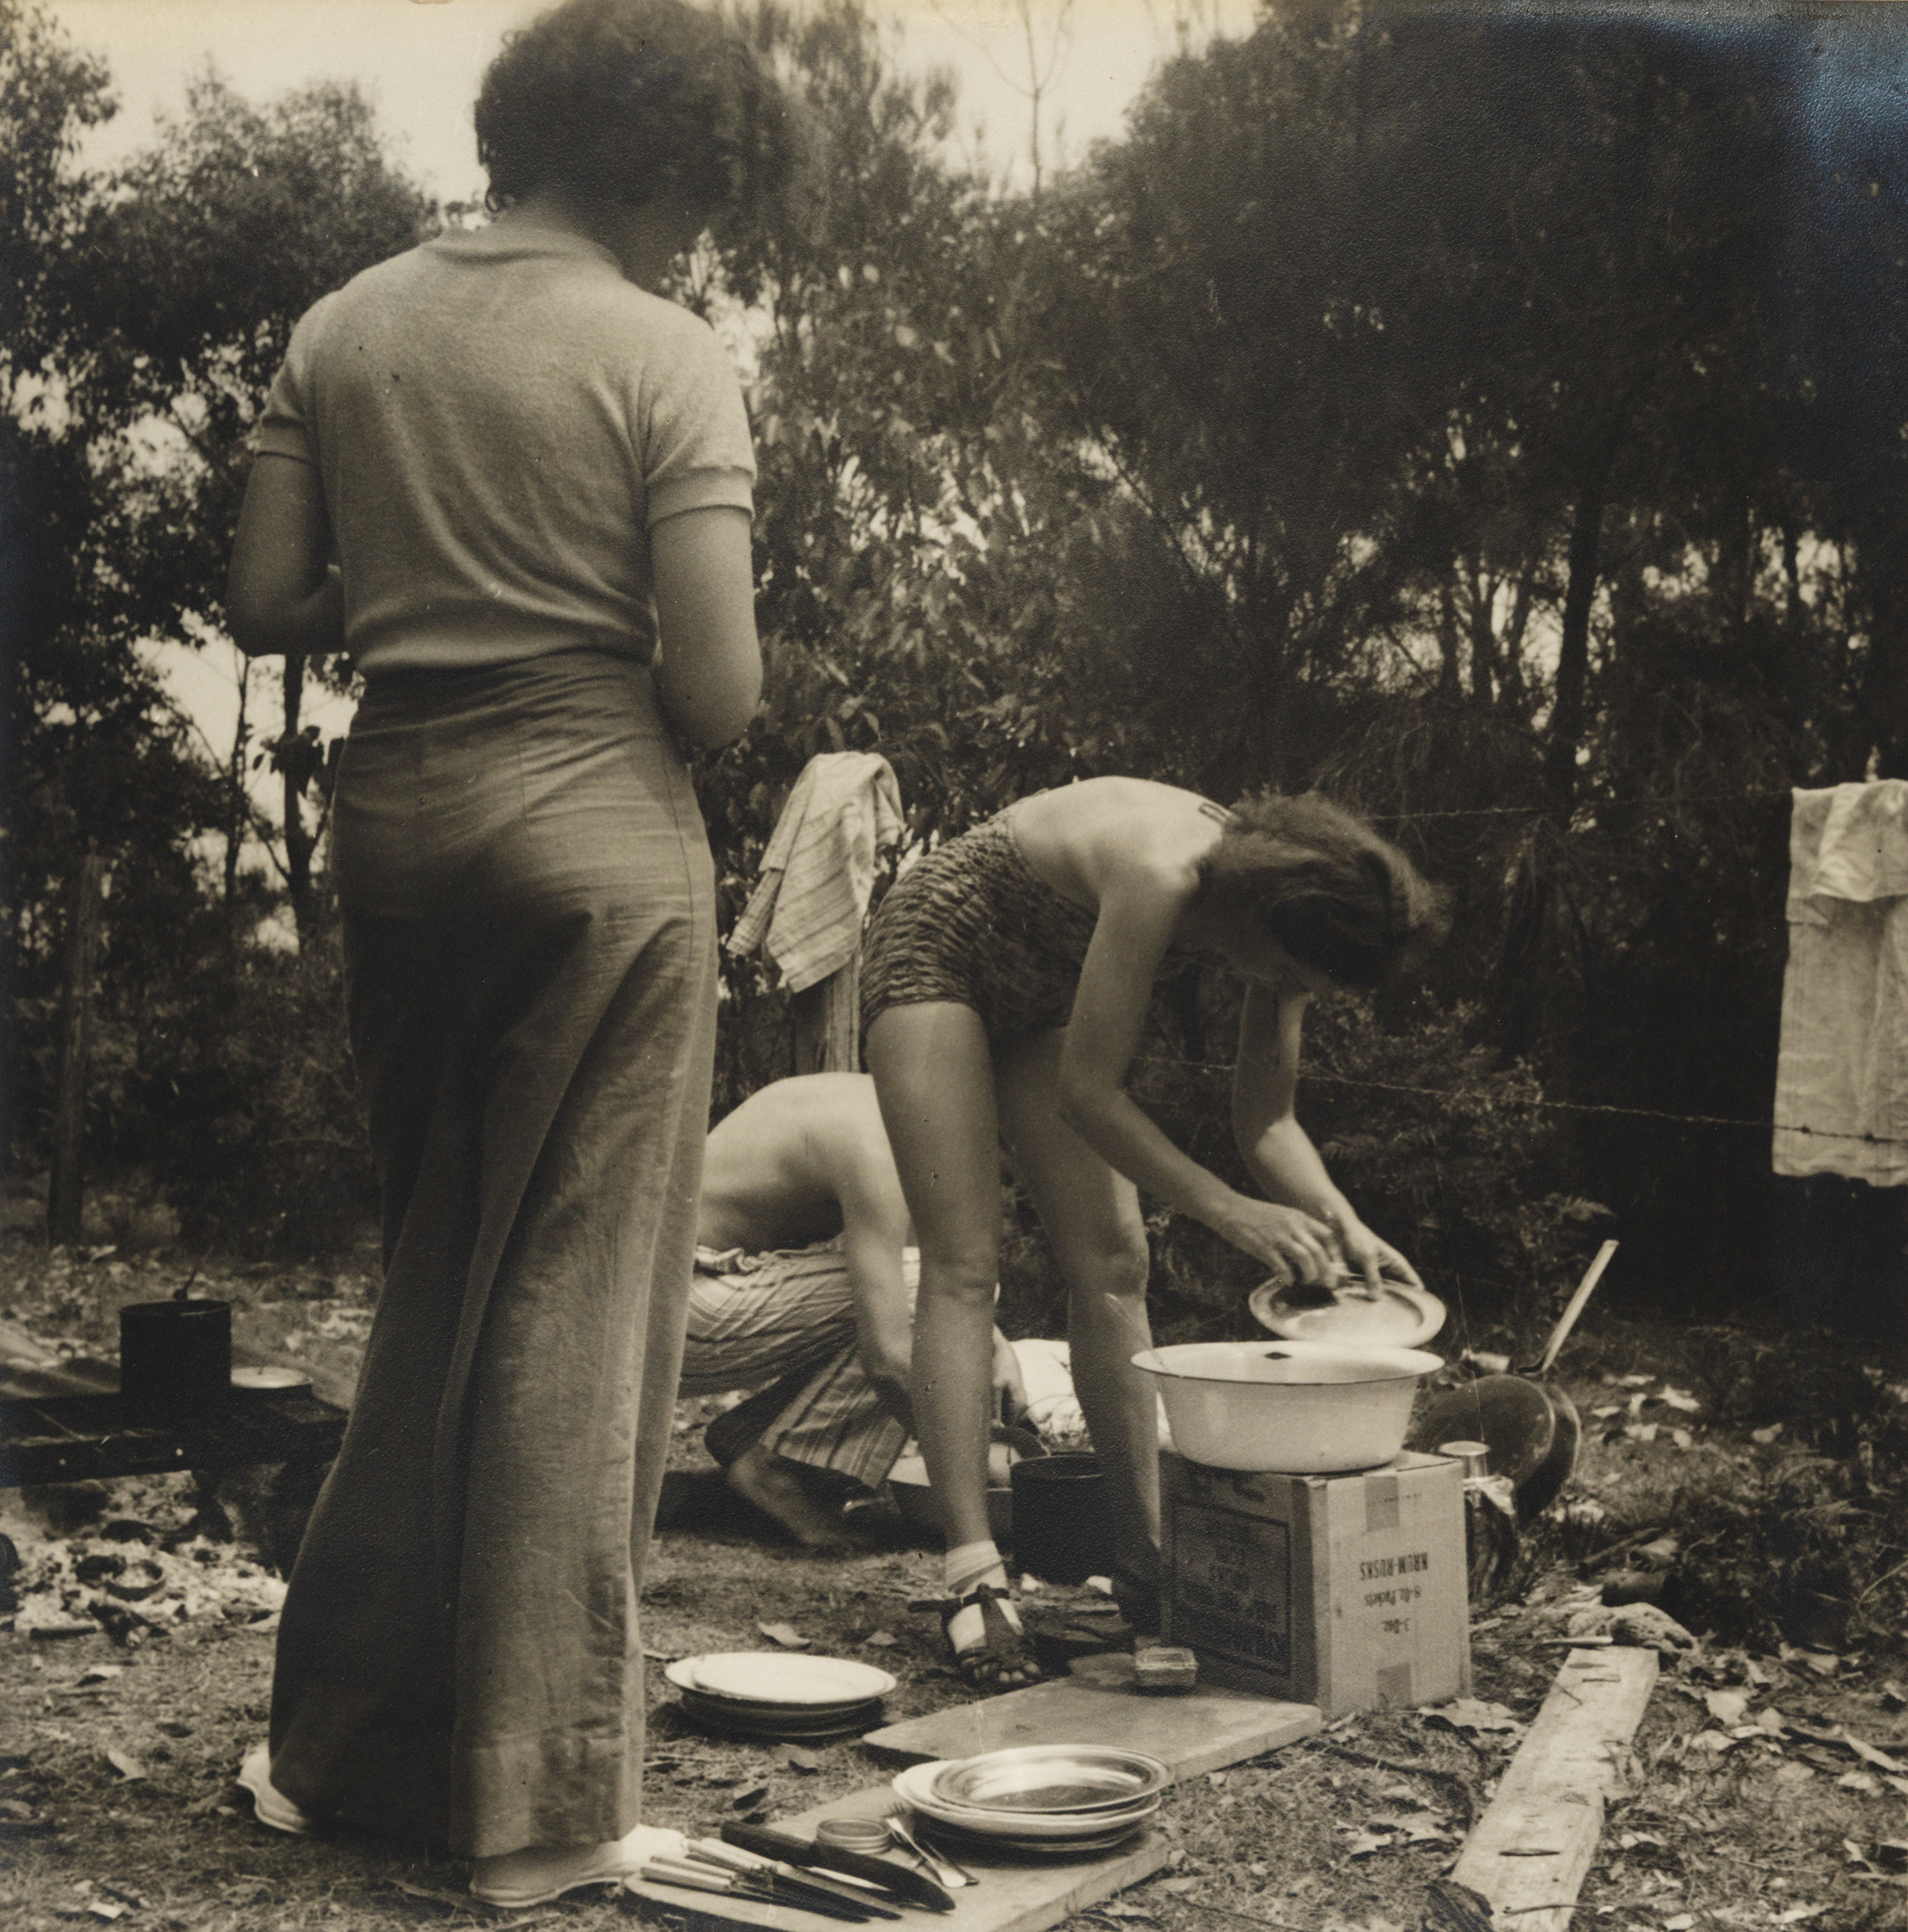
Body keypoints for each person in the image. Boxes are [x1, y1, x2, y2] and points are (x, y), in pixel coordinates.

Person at [221, 0, 794, 1907]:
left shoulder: (346, 326)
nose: (700, 231)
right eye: (701, 192)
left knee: (438, 1267)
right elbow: (713, 699)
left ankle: (339, 1754)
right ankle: (536, 1799)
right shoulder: (660, 353)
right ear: (653, 167)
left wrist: (425, 580)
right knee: (577, 1294)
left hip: (394, 820)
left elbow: (268, 597)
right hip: (590, 818)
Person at [860, 779, 1448, 1691]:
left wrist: (1344, 1219)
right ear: (1266, 910)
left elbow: (1266, 1121)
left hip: (1048, 985)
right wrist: (1229, 1209)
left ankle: (1140, 1557)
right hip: (940, 944)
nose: (1287, 993)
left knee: (1114, 1262)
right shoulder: (1163, 868)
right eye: (1290, 977)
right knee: (964, 1260)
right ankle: (973, 1574)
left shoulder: (1284, 923)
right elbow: (1087, 1094)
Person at [678, 1072, 1025, 1550]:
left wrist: (992, 1341)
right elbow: (889, 1353)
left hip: (672, 1301)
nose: (1000, 1197)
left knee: (933, 1292)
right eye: (1002, 1176)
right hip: (668, 1309)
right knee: (911, 1301)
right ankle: (776, 1471)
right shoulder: (878, 1146)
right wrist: (980, 1462)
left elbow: (920, 1282)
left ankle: (751, 1440)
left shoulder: (886, 1104)